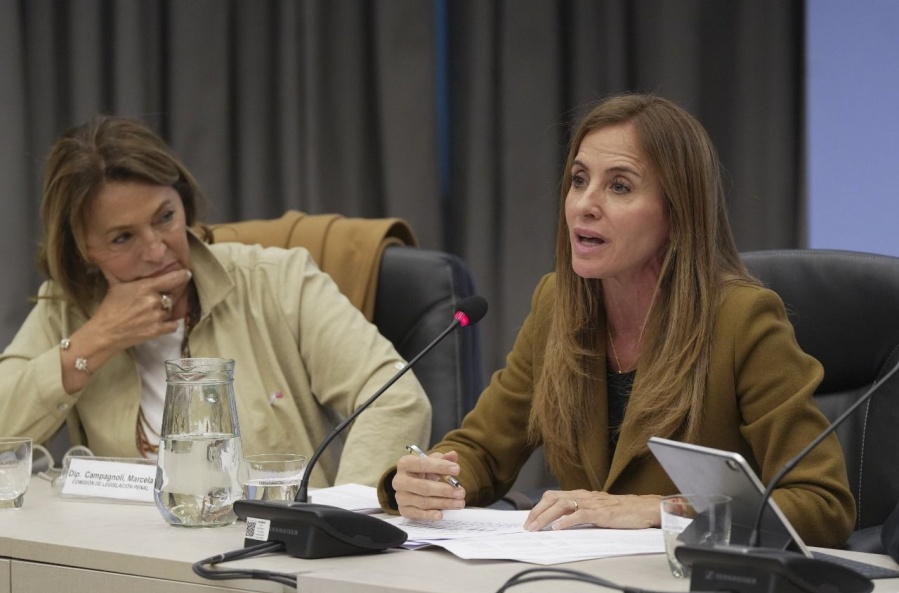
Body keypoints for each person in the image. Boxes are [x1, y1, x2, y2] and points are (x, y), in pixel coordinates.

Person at [380, 93, 855, 548]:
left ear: (677, 212)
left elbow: (822, 504)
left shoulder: (741, 320)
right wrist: (426, 482)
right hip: (583, 576)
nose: (584, 204)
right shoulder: (557, 305)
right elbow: (483, 450)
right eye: (579, 180)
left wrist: (661, 509)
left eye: (620, 186)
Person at [0, 115, 431, 488]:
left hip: (271, 544)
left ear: (184, 203)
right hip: (125, 548)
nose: (156, 250)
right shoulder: (68, 308)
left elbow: (395, 398)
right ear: (82, 250)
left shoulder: (277, 278)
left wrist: (340, 521)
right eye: (122, 238)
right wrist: (97, 339)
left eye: (165, 217)